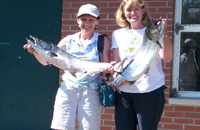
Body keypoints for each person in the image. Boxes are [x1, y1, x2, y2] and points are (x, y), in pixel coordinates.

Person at [23, 4, 113, 130]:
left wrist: (110, 70)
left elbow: (105, 67)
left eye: (91, 20)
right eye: (83, 19)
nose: (86, 23)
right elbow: (46, 61)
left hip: (90, 93)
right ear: (77, 20)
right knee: (62, 128)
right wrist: (36, 52)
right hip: (68, 90)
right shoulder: (68, 40)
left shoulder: (102, 40)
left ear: (97, 21)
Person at [111, 0, 174, 130]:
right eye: (129, 10)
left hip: (150, 91)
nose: (133, 13)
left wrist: (164, 33)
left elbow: (167, 57)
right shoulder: (117, 34)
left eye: (137, 9)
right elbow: (118, 63)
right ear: (123, 12)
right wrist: (116, 75)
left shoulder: (153, 31)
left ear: (143, 10)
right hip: (124, 94)